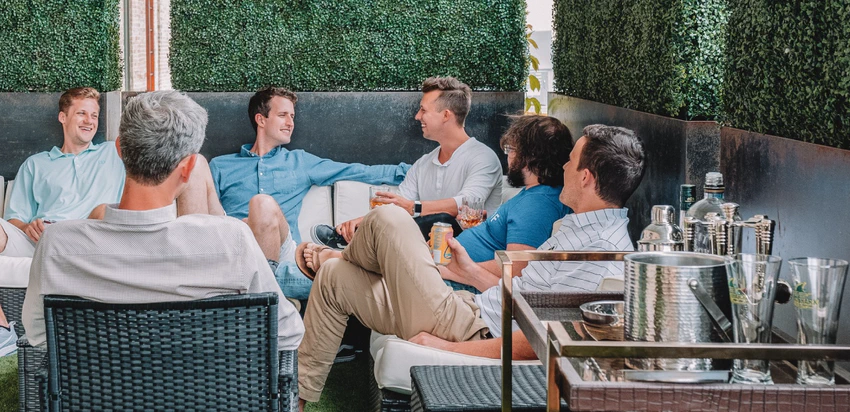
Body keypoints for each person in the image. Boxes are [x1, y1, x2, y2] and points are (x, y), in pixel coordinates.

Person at [296, 124, 645, 407]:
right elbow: (525, 300)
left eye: (571, 162)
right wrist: (469, 272)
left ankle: (341, 254)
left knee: (389, 218)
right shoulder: (577, 229)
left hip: (472, 331)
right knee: (334, 278)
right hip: (469, 308)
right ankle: (299, 400)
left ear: (585, 177)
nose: (565, 167)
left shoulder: (601, 256)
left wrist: (448, 349)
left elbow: (544, 341)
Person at [22, 91, 304, 350]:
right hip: (209, 382)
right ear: (188, 169)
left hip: (96, 385)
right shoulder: (234, 241)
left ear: (120, 150)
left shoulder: (56, 243)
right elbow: (286, 333)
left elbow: (39, 335)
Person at [300, 115, 574, 293]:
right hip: (446, 262)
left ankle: (340, 258)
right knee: (397, 223)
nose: (508, 157)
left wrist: (451, 269)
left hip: (454, 279)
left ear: (530, 156)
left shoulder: (538, 205)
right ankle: (344, 256)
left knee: (412, 226)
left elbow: (514, 271)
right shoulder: (532, 196)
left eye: (511, 150)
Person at [209, 87, 409, 300]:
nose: (290, 123)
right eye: (283, 115)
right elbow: (207, 218)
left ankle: (257, 292)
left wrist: (416, 172)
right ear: (261, 119)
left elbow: (359, 171)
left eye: (292, 116)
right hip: (237, 249)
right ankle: (271, 289)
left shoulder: (300, 161)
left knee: (262, 204)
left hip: (283, 252)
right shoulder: (221, 166)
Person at [312, 76, 503, 249]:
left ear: (446, 115)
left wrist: (413, 207)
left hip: (470, 248)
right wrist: (359, 222)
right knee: (409, 221)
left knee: (442, 220)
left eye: (423, 110)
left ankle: (359, 245)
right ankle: (354, 241)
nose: (417, 116)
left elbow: (467, 205)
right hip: (424, 249)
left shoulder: (483, 158)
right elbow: (398, 205)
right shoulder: (423, 164)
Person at [0, 87, 125, 258]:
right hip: (43, 241)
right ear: (63, 117)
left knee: (103, 211)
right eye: (81, 113)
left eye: (94, 115)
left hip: (91, 240)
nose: (89, 121)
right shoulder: (35, 164)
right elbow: (14, 220)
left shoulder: (114, 152)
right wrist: (27, 228)